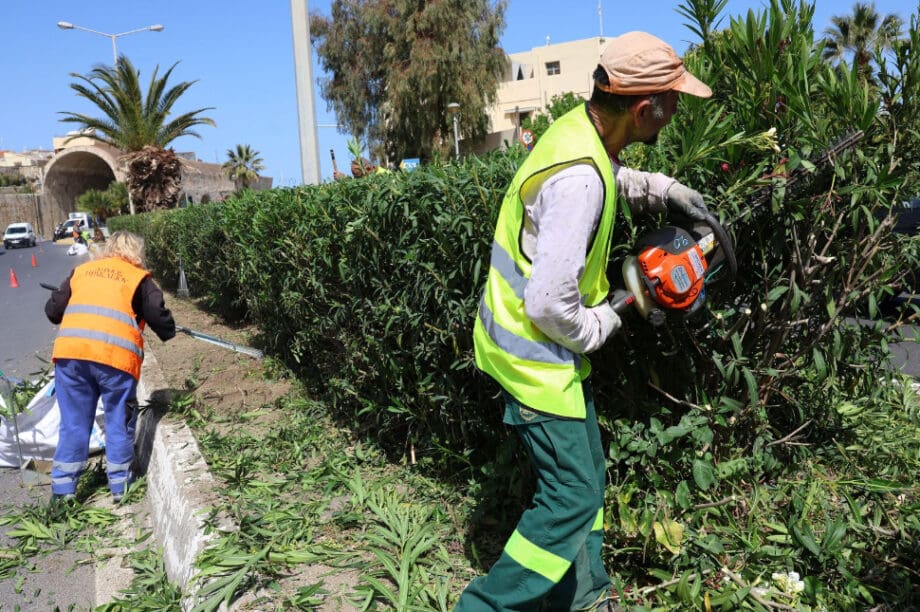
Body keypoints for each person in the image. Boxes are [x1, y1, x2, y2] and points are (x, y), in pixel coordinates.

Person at [459, 31, 713, 611]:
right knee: (572, 495)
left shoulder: (581, 132)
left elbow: (606, 173)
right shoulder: (579, 180)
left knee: (588, 477)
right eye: (673, 101)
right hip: (535, 357)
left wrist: (664, 189)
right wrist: (604, 324)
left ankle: (588, 597)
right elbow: (550, 304)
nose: (676, 111)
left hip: (542, 352)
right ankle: (484, 607)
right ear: (645, 107)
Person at [45, 230, 176, 502]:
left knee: (74, 424)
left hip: (72, 357)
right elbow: (161, 321)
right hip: (114, 361)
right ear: (137, 253)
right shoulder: (139, 278)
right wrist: (168, 328)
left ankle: (62, 493)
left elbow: (53, 310)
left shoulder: (82, 271)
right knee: (118, 420)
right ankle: (120, 488)